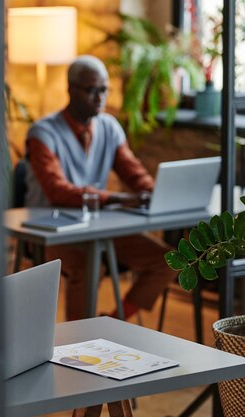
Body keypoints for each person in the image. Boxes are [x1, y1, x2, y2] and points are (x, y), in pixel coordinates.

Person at [24, 55, 175, 321]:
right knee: (88, 266)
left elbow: (133, 171)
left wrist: (154, 193)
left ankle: (112, 322)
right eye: (92, 90)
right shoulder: (43, 133)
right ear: (70, 89)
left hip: (98, 228)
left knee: (169, 260)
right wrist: (116, 198)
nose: (100, 97)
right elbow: (58, 190)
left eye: (104, 89)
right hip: (49, 232)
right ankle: (77, 343)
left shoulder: (109, 127)